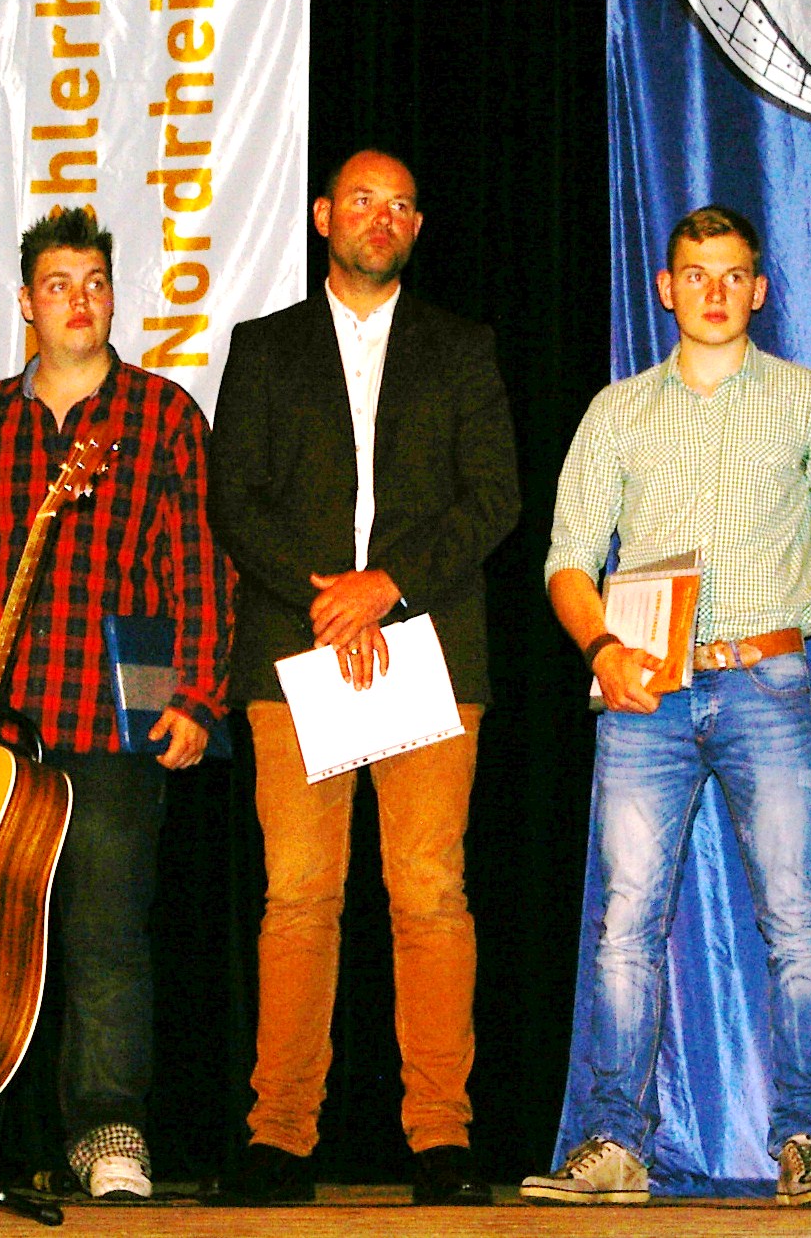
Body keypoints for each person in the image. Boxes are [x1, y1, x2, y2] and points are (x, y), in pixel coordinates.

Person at [524, 204, 811, 1207]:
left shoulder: (807, 399)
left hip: (769, 681)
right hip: (645, 690)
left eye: (732, 274)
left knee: (797, 921)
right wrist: (603, 648)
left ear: (758, 289)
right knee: (624, 923)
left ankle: (805, 1143)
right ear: (665, 287)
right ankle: (613, 1141)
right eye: (695, 273)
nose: (714, 291)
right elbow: (566, 560)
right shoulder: (617, 411)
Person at [208, 150, 518, 1206]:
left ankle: (441, 1137)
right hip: (294, 650)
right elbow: (234, 498)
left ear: (416, 228)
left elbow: (495, 496)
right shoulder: (264, 347)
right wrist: (327, 597)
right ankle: (278, 1137)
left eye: (399, 206)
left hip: (427, 647)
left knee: (429, 895)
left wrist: (386, 585)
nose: (379, 219)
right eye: (361, 201)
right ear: (321, 216)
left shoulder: (461, 347)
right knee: (298, 897)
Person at [0, 206, 230, 1199]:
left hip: (112, 721)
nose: (79, 301)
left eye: (94, 283)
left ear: (112, 297)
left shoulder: (163, 415)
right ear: (25, 303)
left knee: (104, 933)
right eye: (58, 285)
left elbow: (201, 570)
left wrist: (196, 698)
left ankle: (106, 1131)